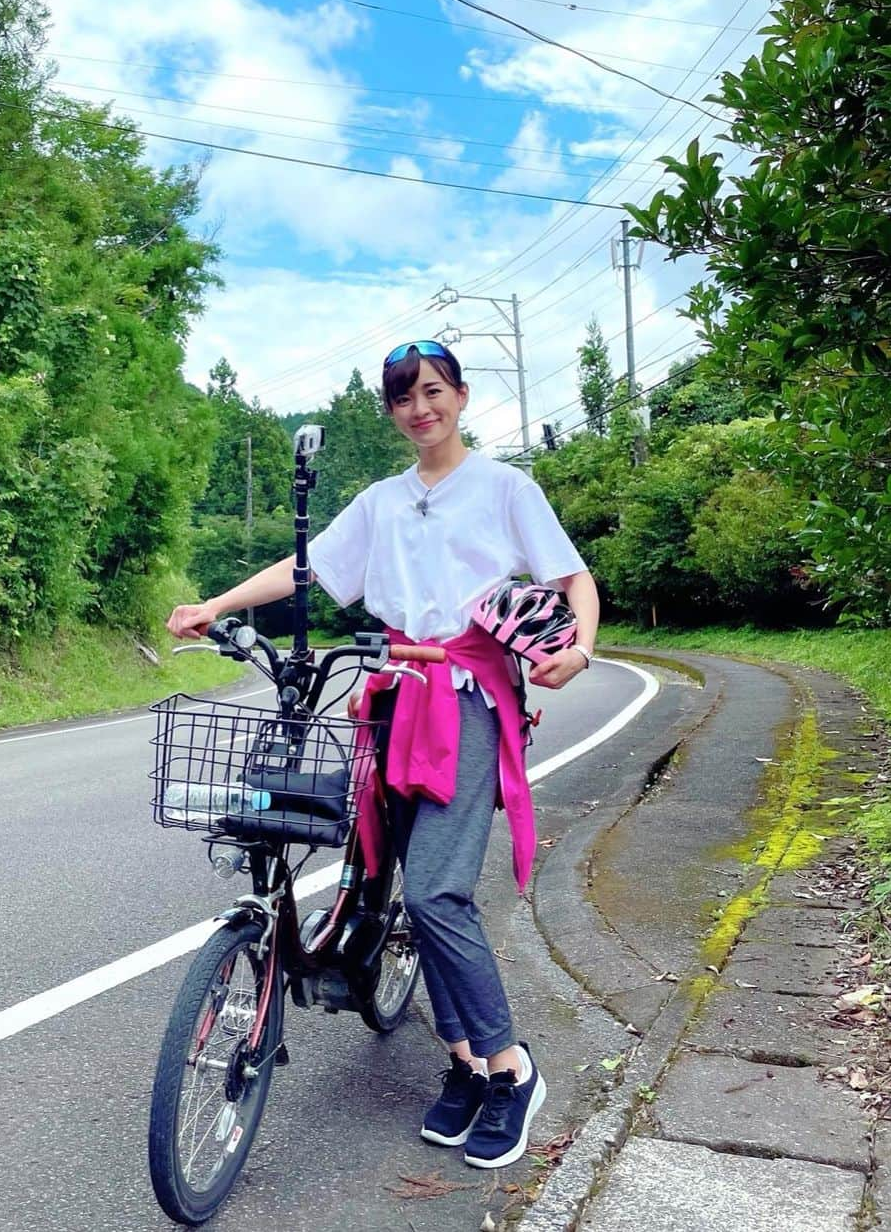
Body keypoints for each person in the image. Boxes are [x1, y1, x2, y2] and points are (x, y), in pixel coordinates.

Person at [167, 339, 599, 1170]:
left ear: (461, 397)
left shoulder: (507, 488)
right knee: (394, 878)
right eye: (404, 398)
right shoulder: (382, 500)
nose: (420, 409)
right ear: (393, 411)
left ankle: (511, 1067)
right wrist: (212, 604)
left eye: (432, 391)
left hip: (469, 698)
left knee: (436, 891)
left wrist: (577, 649)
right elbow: (307, 568)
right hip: (393, 697)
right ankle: (464, 1063)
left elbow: (573, 580)